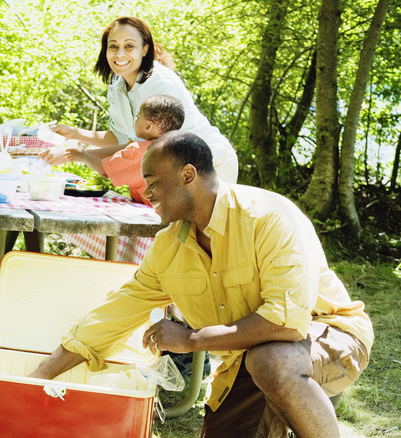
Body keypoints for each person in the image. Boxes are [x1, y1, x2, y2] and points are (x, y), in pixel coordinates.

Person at [29, 131, 373, 438]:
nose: (146, 192)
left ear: (188, 175)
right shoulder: (168, 247)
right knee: (259, 368)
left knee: (271, 361)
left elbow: (285, 323)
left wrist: (191, 340)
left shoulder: (269, 217)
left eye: (152, 181)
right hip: (244, 361)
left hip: (326, 335)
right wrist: (38, 378)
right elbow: (115, 313)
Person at [38, 16, 239, 184]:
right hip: (178, 165)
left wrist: (78, 155)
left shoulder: (161, 85)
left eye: (129, 46)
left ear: (144, 49)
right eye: (113, 46)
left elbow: (143, 149)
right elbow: (121, 138)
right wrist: (74, 134)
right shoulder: (117, 84)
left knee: (199, 231)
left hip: (212, 163)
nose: (120, 54)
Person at [62, 94, 184, 205]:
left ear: (148, 126)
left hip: (156, 214)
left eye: (137, 117)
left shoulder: (140, 151)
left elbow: (103, 169)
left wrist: (81, 155)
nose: (135, 121)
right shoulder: (174, 150)